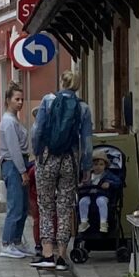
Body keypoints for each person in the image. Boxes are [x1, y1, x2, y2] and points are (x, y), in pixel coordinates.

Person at [28, 76, 92, 267]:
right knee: (65, 208)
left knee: (46, 206)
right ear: (78, 86)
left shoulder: (48, 100)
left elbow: (37, 131)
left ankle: (47, 253)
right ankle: (62, 256)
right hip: (69, 159)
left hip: (48, 158)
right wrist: (86, 166)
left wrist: (38, 152)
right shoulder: (83, 108)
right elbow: (87, 141)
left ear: (61, 83)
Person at [0, 85, 32, 258]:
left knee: (23, 206)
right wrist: (22, 171)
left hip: (18, 163)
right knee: (15, 206)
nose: (20, 102)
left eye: (21, 99)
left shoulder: (14, 119)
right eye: (16, 99)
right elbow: (14, 149)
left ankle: (16, 241)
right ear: (8, 100)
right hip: (13, 164)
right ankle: (7, 243)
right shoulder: (9, 122)